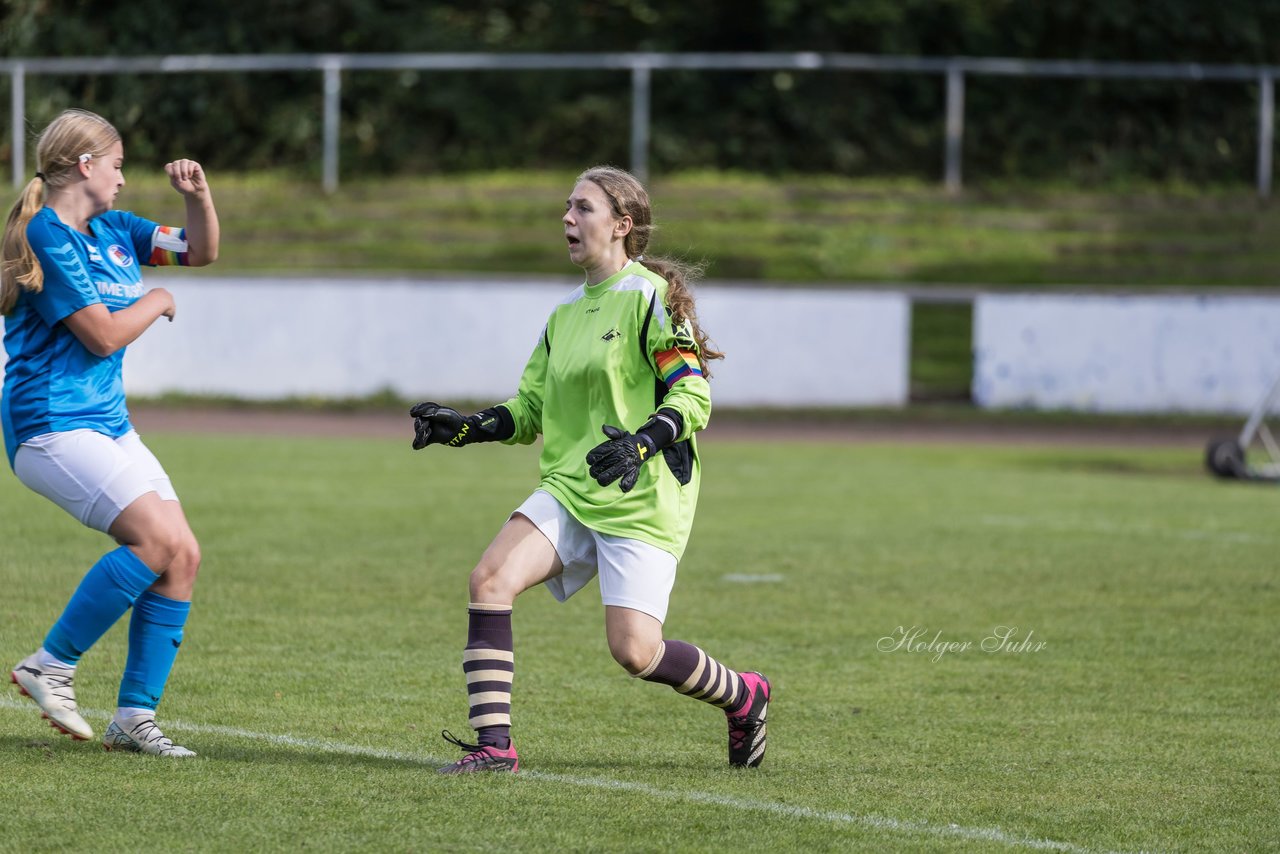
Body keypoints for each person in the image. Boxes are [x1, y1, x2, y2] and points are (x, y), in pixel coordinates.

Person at [410, 165, 769, 774]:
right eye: (567, 207)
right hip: (571, 488)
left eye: (582, 208)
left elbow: (693, 396)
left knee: (635, 652)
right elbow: (530, 411)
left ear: (622, 226)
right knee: (489, 580)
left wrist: (640, 445)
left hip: (640, 495)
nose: (567, 219)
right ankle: (495, 748)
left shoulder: (651, 300)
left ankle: (744, 694)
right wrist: (468, 427)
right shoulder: (564, 314)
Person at [3, 108, 219, 757]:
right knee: (154, 541)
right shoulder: (47, 234)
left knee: (181, 555)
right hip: (51, 424)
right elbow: (100, 337)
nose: (124, 179)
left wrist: (198, 197)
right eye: (118, 164)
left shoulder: (117, 230)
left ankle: (134, 718)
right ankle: (50, 665)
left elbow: (200, 251)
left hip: (106, 424)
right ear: (86, 165)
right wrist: (154, 301)